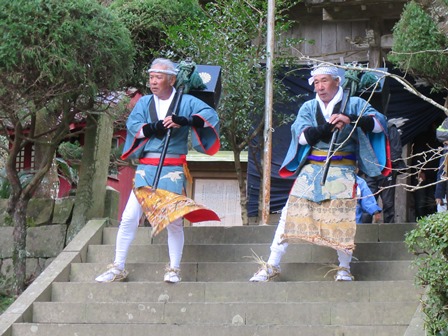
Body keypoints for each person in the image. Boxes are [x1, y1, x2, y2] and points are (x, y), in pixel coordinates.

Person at [249, 65, 388, 282]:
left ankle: (344, 267)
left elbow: (380, 124)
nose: (319, 87)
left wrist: (353, 118)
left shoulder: (356, 103)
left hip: (343, 168)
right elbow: (302, 137)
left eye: (324, 81)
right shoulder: (308, 107)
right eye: (316, 82)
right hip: (312, 169)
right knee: (290, 213)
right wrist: (324, 129)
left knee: (342, 217)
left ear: (337, 81)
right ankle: (271, 264)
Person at [95, 58, 220, 283]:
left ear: (172, 79)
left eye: (158, 77)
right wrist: (153, 127)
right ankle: (118, 266)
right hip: (146, 168)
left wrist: (187, 120)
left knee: (173, 220)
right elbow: (134, 126)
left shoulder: (187, 101)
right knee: (129, 217)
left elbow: (211, 117)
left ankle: (173, 268)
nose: (153, 82)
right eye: (151, 77)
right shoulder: (143, 103)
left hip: (172, 166)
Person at [361, 121, 405, 223]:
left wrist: (393, 165)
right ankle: (364, 232)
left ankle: (389, 232)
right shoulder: (365, 127)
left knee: (388, 203)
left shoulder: (389, 127)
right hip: (371, 170)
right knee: (368, 203)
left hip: (387, 169)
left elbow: (396, 149)